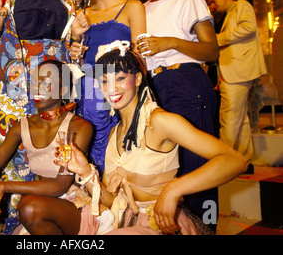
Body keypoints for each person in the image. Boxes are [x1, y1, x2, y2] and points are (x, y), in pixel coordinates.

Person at [48, 41, 247, 235]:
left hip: (160, 225)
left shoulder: (159, 121)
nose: (111, 88)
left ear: (138, 78)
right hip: (126, 221)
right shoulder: (114, 132)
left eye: (119, 78)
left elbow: (234, 161)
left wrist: (173, 189)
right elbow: (111, 200)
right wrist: (84, 171)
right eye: (105, 81)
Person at [0, 0, 72, 233]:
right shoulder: (4, 1)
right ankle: (16, 226)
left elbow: (70, 48)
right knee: (15, 161)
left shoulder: (66, 2)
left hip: (54, 92)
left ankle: (46, 220)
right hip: (16, 95)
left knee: (53, 157)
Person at [136, 0, 219, 224]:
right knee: (167, 165)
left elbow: (212, 50)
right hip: (153, 89)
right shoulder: (139, 9)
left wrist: (170, 42)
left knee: (196, 164)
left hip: (186, 82)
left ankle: (203, 228)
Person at [0, 60, 93, 234]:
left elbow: (60, 186)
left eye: (46, 83)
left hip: (75, 205)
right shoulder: (22, 125)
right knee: (29, 208)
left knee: (28, 207)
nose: (37, 88)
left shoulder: (79, 127)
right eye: (35, 82)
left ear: (64, 90)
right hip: (39, 207)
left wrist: (3, 186)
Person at [68, 0, 146, 174]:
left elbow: (141, 59)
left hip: (118, 95)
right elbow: (77, 65)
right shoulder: (81, 15)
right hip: (88, 97)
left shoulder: (132, 8)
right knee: (86, 158)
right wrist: (76, 52)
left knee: (120, 161)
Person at [206, 0, 267, 171]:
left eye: (213, 1)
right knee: (240, 119)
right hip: (235, 72)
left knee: (229, 118)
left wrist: (216, 38)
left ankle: (225, 162)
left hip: (238, 71)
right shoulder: (232, 12)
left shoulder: (241, 5)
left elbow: (248, 28)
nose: (212, 6)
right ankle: (243, 161)